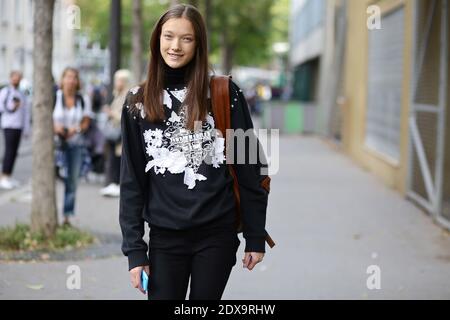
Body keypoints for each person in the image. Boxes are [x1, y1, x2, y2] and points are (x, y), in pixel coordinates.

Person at [119, 4, 270, 300]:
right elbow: (132, 181)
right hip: (164, 238)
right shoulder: (137, 101)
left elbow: (249, 166)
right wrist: (135, 251)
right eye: (168, 36)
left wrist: (255, 235)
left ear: (198, 44)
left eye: (186, 39)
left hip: (217, 235)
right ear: (157, 40)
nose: (175, 46)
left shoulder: (226, 94)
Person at [53, 67, 94, 226]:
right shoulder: (54, 96)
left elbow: (86, 121)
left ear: (77, 81)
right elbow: (45, 117)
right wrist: (56, 129)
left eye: (74, 77)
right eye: (68, 77)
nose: (71, 80)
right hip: (55, 144)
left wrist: (74, 130)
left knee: (72, 180)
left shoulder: (82, 99)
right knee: (52, 178)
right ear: (62, 79)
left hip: (75, 143)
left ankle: (67, 216)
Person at [99, 69, 131, 197]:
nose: (116, 83)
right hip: (115, 135)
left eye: (119, 80)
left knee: (118, 159)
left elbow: (124, 116)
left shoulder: (127, 96)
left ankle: (116, 184)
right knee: (113, 158)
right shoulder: (118, 94)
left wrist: (111, 113)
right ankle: (113, 183)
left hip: (120, 134)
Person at [0, 71, 31, 190]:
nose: (16, 79)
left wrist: (26, 128)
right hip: (8, 125)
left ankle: (9, 175)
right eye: (15, 77)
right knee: (9, 151)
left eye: (19, 77)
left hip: (18, 126)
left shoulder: (22, 94)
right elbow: (2, 108)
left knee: (14, 152)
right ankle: (3, 176)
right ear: (11, 78)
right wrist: (13, 107)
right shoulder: (5, 92)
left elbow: (26, 113)